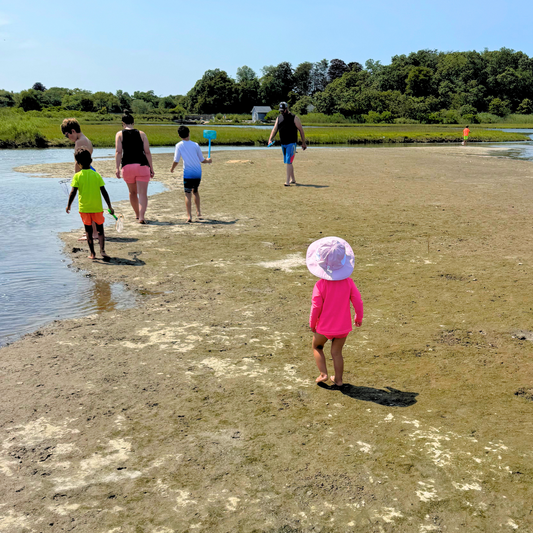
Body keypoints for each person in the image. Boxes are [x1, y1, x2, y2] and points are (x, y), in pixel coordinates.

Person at [306, 236, 363, 386]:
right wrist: (358, 317)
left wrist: (312, 324)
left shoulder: (320, 285)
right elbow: (358, 301)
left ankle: (323, 373)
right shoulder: (349, 283)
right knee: (337, 353)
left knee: (317, 347)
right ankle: (338, 380)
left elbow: (316, 306)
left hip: (323, 327)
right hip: (343, 327)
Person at [66, 148, 114, 261]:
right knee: (100, 230)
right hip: (97, 208)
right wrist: (110, 206)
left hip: (84, 208)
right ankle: (102, 250)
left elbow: (73, 192)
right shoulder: (96, 175)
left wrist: (69, 205)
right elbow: (104, 192)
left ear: (78, 163)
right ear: (91, 160)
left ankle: (92, 253)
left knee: (88, 231)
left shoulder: (77, 176)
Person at [61, 118, 98, 239]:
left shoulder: (79, 142)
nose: (68, 138)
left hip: (84, 174)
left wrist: (76, 177)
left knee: (86, 204)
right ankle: (92, 231)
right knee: (90, 203)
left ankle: (93, 233)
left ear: (72, 131)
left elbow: (78, 162)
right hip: (90, 172)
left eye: (67, 136)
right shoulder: (86, 139)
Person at [115, 112, 154, 224]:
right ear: (133, 122)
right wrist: (151, 168)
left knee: (132, 192)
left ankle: (137, 214)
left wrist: (117, 168)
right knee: (142, 193)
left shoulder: (119, 134)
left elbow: (118, 152)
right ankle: (142, 217)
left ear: (123, 123)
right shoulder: (142, 134)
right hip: (142, 166)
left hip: (127, 167)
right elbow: (147, 152)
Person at [170, 126, 212, 223]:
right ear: (189, 133)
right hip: (197, 172)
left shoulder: (179, 145)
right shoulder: (195, 145)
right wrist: (208, 160)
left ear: (179, 135)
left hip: (188, 173)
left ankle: (189, 216)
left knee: (187, 193)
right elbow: (202, 160)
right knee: (195, 191)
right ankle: (198, 211)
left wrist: (172, 168)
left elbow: (176, 160)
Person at [267, 102, 307, 186]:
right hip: (283, 143)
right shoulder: (279, 118)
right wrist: (270, 139)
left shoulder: (294, 118)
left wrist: (303, 143)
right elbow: (274, 129)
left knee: (288, 161)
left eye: (283, 110)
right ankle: (293, 179)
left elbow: (301, 130)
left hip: (291, 143)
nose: (282, 112)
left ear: (287, 109)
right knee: (288, 161)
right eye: (280, 111)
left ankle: (287, 182)